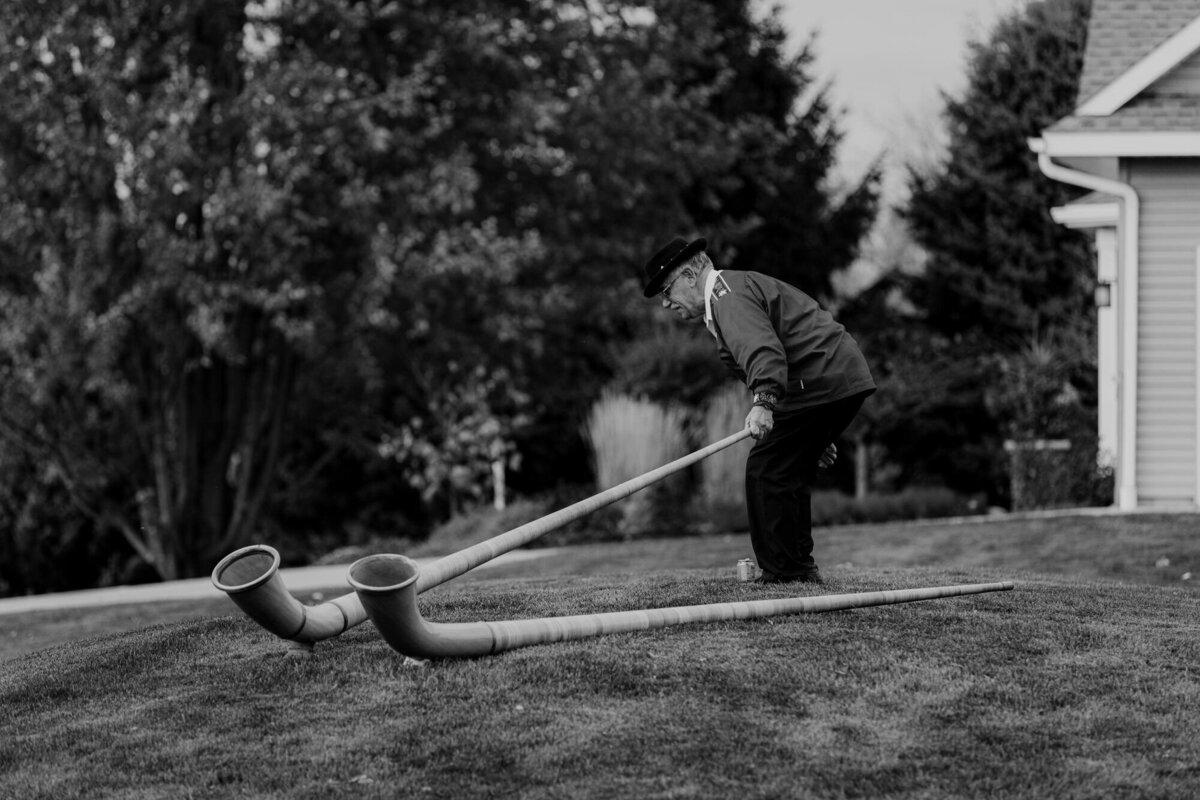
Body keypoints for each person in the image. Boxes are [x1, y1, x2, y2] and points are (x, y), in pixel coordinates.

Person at [642, 236, 875, 584]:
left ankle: (787, 572)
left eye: (666, 291)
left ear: (690, 276)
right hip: (829, 381)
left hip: (823, 379)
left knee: (767, 469)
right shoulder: (727, 297)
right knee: (783, 466)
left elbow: (763, 352)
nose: (665, 304)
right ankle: (795, 569)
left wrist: (764, 401)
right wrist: (814, 436)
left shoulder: (727, 296)